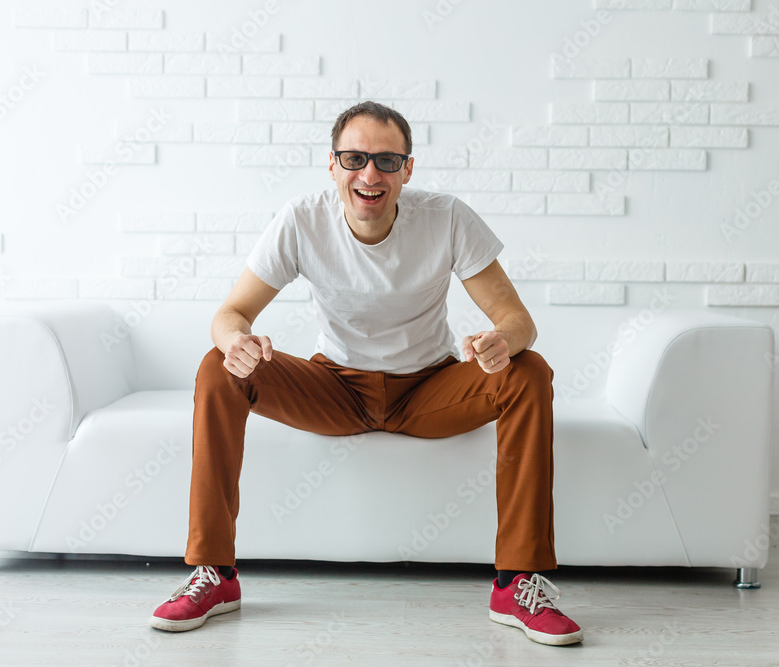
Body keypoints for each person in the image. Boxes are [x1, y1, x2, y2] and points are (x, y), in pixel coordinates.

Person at [149, 101, 583, 646]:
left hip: (429, 387)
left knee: (529, 372)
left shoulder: (447, 217)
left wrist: (501, 342)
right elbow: (229, 315)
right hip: (336, 387)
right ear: (332, 166)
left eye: (386, 160)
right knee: (219, 368)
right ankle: (215, 576)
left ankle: (516, 582)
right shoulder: (302, 219)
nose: (370, 174)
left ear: (407, 168)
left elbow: (519, 321)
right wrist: (237, 341)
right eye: (354, 158)